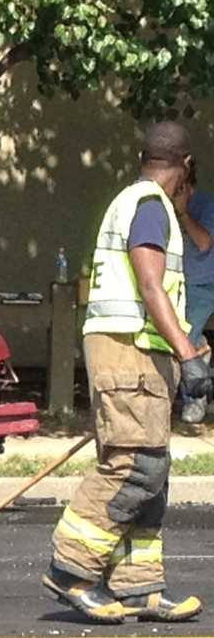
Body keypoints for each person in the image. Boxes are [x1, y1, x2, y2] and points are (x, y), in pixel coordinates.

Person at [41, 121, 209, 624]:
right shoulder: (150, 206)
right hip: (126, 352)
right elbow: (151, 286)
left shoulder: (141, 204)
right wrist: (188, 354)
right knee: (133, 466)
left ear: (144, 156)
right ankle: (71, 570)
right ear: (186, 167)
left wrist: (183, 349)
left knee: (153, 472)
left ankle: (139, 588)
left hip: (142, 353)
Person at [177, 165, 214, 423]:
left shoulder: (206, 205)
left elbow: (203, 242)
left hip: (204, 285)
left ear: (188, 186)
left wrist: (183, 213)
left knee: (186, 333)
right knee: (193, 337)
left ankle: (195, 398)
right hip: (177, 284)